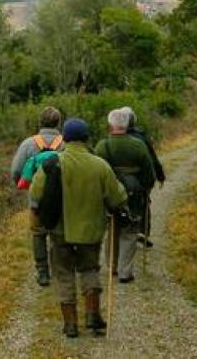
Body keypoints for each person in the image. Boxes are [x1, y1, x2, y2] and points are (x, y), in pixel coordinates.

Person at [30, 118, 128, 338]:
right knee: (89, 269)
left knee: (64, 275)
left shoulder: (52, 164)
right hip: (90, 231)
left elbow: (35, 196)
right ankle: (92, 315)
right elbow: (117, 197)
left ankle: (70, 324)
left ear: (64, 138)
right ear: (86, 138)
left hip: (59, 232)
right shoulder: (99, 165)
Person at [95, 108, 155, 282]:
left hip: (109, 194)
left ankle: (111, 266)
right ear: (128, 124)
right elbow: (148, 174)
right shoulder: (138, 145)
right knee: (129, 231)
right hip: (133, 194)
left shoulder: (102, 146)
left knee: (111, 228)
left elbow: (97, 173)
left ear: (110, 125)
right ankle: (125, 271)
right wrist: (144, 188)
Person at [10, 106, 64, 286]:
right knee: (58, 234)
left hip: (36, 200)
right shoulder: (66, 143)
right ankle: (59, 270)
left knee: (38, 234)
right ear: (59, 123)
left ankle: (42, 273)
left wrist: (26, 185)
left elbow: (16, 170)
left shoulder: (28, 144)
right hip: (61, 199)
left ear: (40, 122)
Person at [122, 104, 165, 246]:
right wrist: (159, 175)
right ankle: (143, 232)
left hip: (120, 180)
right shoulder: (141, 138)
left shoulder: (114, 138)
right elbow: (152, 158)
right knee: (144, 202)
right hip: (140, 179)